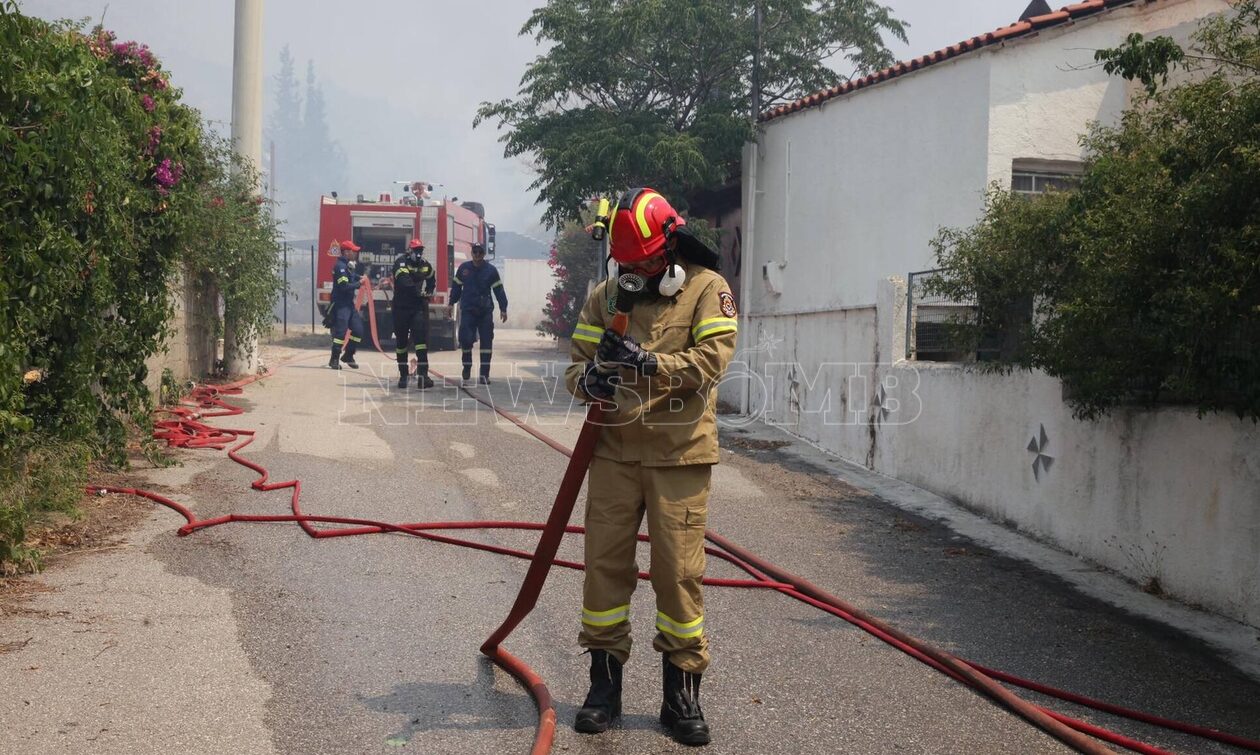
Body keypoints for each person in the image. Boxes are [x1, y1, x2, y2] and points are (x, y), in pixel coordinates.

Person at [564, 188, 738, 746]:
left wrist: (649, 362)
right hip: (613, 454)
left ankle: (680, 696)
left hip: (678, 457)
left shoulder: (708, 290)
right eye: (627, 263)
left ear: (667, 247)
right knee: (604, 568)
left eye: (644, 260)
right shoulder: (607, 295)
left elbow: (712, 361)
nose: (635, 270)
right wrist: (587, 379)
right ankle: (603, 689)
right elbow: (576, 364)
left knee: (677, 575)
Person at [449, 242, 507, 384]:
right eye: (475, 252)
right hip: (468, 311)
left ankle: (484, 375)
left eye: (480, 252)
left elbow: (499, 290)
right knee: (465, 339)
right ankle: (467, 366)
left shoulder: (491, 271)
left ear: (484, 254)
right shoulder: (464, 269)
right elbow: (456, 287)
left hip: (485, 312)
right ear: (472, 253)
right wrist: (451, 303)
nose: (477, 255)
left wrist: (503, 308)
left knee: (486, 343)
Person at [390, 238, 436, 389]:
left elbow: (431, 277)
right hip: (401, 308)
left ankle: (423, 376)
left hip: (417, 309)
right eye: (416, 250)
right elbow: (404, 283)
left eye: (420, 250)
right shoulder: (401, 263)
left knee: (421, 342)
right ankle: (403, 376)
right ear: (410, 250)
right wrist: (420, 293)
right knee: (401, 343)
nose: (418, 253)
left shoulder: (424, 265)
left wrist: (429, 291)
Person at [328, 239, 365, 370]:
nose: (355, 253)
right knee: (340, 333)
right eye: (353, 251)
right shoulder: (340, 267)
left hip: (349, 305)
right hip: (341, 305)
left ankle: (348, 355)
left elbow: (352, 277)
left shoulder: (347, 266)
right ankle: (334, 359)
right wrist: (359, 284)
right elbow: (344, 286)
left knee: (358, 330)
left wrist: (361, 278)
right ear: (346, 252)